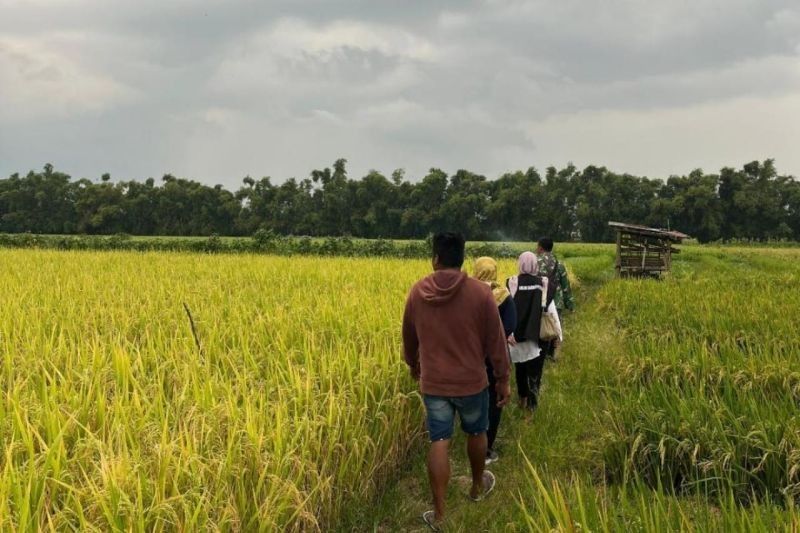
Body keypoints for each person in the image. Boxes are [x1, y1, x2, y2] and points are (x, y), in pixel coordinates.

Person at [403, 233, 511, 530]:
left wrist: (414, 365)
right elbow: (496, 341)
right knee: (477, 432)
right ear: (462, 258)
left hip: (435, 383)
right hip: (472, 382)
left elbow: (409, 337)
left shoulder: (416, 292)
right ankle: (476, 488)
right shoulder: (480, 293)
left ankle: (439, 515)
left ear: (435, 258)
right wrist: (502, 378)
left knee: (439, 439)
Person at [473, 257, 516, 465]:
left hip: (472, 357)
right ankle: (487, 449)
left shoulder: (468, 295)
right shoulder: (504, 296)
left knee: (474, 397)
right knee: (494, 399)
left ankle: (472, 442)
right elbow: (510, 324)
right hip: (496, 357)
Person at [507, 252, 562, 412]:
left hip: (516, 336)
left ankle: (522, 399)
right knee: (535, 370)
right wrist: (558, 334)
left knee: (520, 368)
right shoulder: (544, 283)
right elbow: (551, 311)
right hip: (539, 335)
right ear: (535, 265)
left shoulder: (511, 283)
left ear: (520, 264)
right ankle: (533, 404)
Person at [536, 237, 574, 360]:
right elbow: (565, 286)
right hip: (556, 300)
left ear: (540, 248)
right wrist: (570, 304)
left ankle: (540, 351)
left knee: (540, 325)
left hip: (539, 299)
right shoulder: (559, 264)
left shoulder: (534, 262)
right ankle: (554, 353)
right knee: (556, 325)